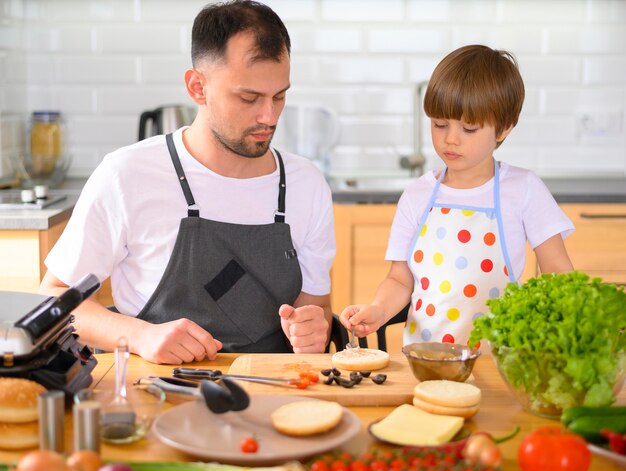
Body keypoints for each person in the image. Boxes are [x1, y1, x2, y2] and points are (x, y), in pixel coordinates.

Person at [40, 0, 335, 364]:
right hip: (156, 392)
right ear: (198, 87)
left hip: (275, 394)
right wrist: (140, 335)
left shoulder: (306, 184)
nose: (269, 116)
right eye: (249, 97)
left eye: (279, 95)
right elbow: (55, 298)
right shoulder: (127, 174)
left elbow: (316, 305)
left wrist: (313, 330)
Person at [340, 45, 574, 347]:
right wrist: (378, 310)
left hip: (498, 363)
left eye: (469, 128)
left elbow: (559, 275)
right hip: (426, 361)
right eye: (440, 124)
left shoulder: (523, 189)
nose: (450, 138)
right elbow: (400, 279)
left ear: (503, 129)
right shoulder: (417, 196)